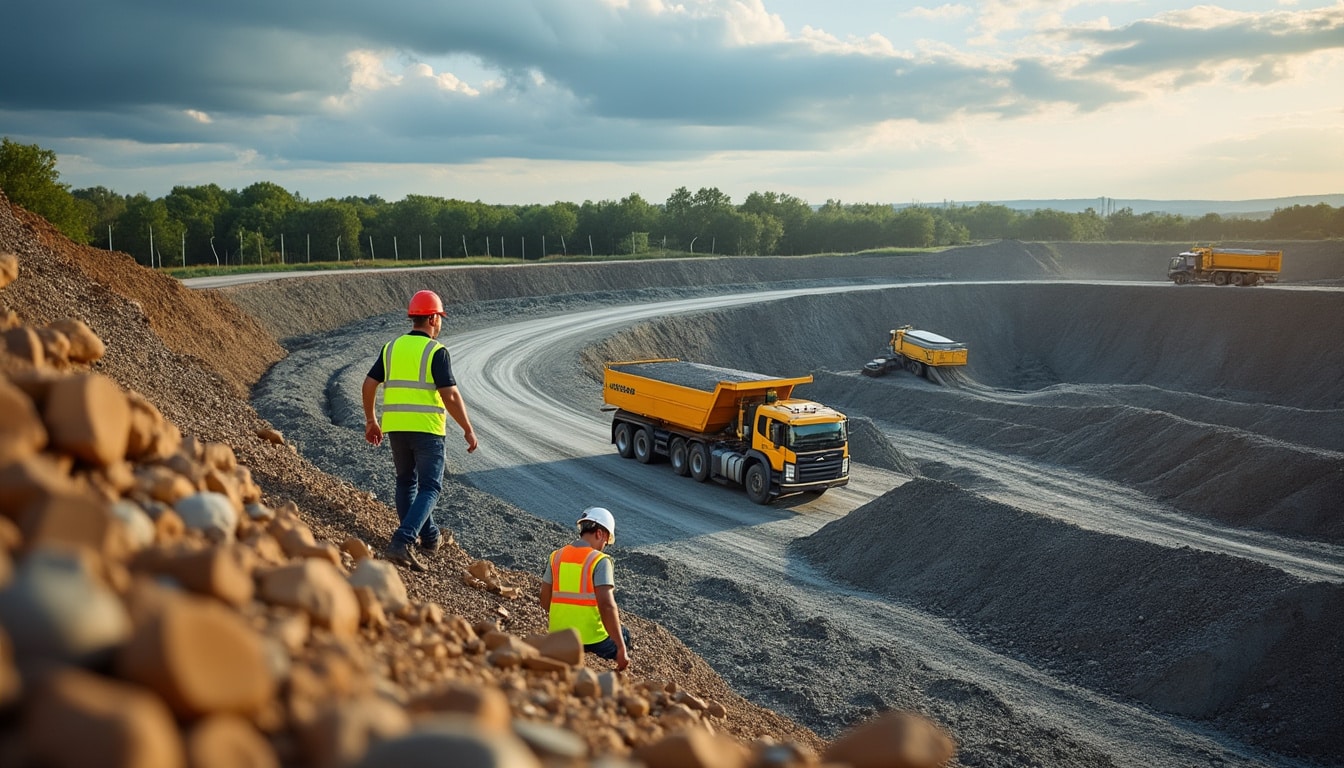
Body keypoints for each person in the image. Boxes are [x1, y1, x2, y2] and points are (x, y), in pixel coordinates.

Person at [362, 289, 478, 572]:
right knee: (430, 487)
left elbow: (368, 383)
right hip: (427, 431)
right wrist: (467, 428)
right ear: (433, 318)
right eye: (440, 318)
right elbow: (450, 395)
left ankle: (429, 537)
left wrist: (371, 420)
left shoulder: (391, 348)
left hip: (396, 429)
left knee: (406, 482)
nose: (440, 323)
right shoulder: (436, 351)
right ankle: (402, 540)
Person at [540, 507, 632, 671]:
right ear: (600, 534)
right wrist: (621, 647)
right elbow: (607, 605)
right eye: (606, 542)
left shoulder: (556, 556)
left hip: (559, 637)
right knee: (624, 634)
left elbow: (544, 600)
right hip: (592, 641)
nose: (604, 546)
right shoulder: (599, 560)